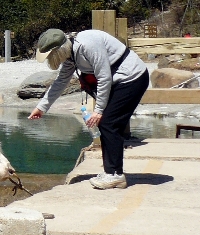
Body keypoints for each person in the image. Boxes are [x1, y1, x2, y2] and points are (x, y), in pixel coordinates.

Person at [28, 28, 149, 189]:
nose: (50, 60)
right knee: (107, 124)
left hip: (132, 78)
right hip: (117, 81)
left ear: (59, 50)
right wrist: (41, 107)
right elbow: (61, 81)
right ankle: (111, 172)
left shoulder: (88, 44)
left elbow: (104, 76)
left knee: (109, 123)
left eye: (50, 56)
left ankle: (115, 175)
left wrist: (98, 110)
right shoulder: (71, 54)